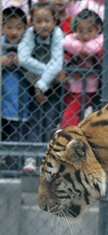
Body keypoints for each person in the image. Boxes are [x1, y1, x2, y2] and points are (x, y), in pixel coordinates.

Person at [18, 2, 65, 172]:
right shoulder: (30, 34)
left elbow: (58, 60)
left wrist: (43, 84)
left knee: (51, 121)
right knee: (34, 120)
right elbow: (23, 58)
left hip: (53, 85)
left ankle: (49, 158)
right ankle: (31, 158)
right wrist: (47, 74)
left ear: (55, 20)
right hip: (34, 84)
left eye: (47, 20)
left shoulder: (57, 34)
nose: (43, 25)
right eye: (38, 21)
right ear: (32, 22)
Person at [60, 8, 103, 127]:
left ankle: (68, 135)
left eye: (89, 30)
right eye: (80, 30)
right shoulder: (73, 37)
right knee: (71, 112)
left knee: (69, 115)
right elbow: (66, 42)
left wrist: (78, 48)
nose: (84, 34)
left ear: (97, 29)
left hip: (88, 87)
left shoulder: (100, 38)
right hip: (71, 85)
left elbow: (93, 48)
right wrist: (82, 49)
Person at [1, 7, 30, 170]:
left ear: (25, 29)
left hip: (20, 106)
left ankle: (13, 169)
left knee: (16, 140)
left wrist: (23, 61)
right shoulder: (1, 45)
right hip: (2, 102)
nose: (14, 32)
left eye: (19, 28)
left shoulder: (28, 46)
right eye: (9, 27)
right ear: (2, 27)